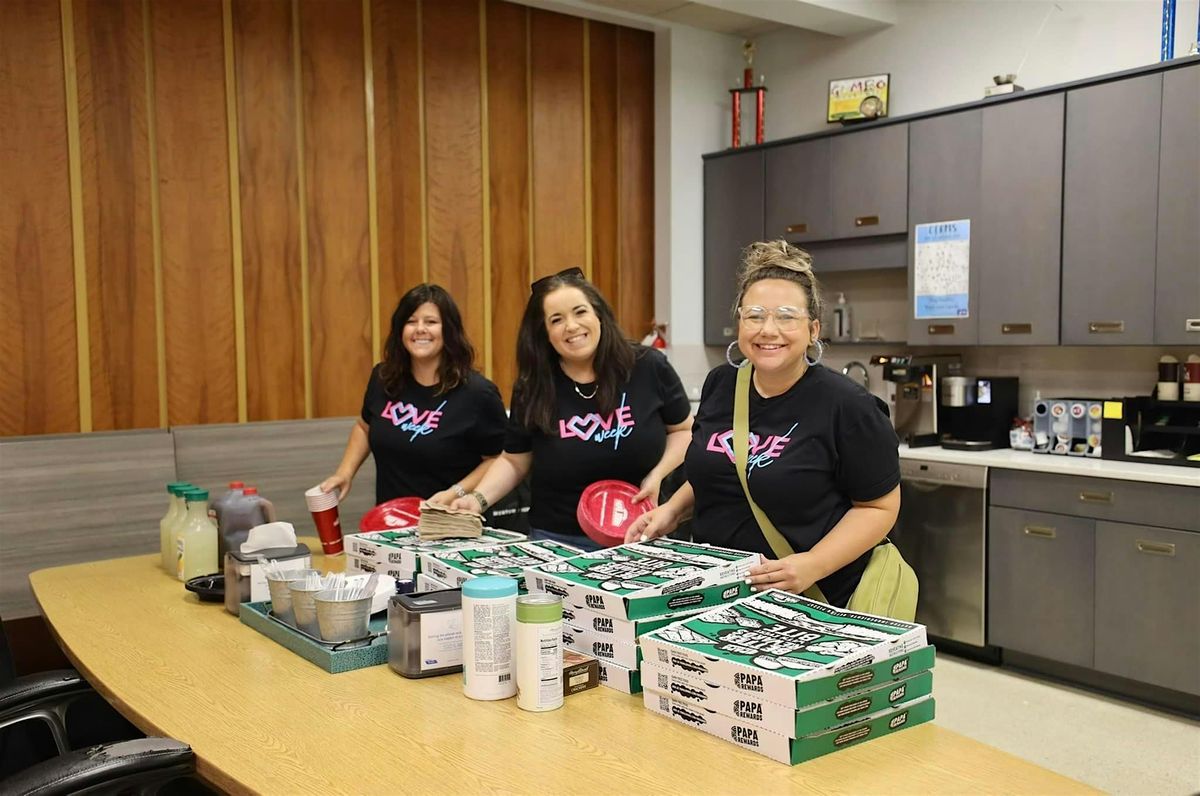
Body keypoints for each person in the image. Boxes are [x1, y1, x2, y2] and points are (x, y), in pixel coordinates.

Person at [626, 241, 900, 607]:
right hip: (715, 592)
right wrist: (672, 510)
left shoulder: (849, 406)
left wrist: (811, 565)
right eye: (754, 315)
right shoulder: (721, 385)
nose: (768, 329)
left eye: (787, 316)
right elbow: (722, 468)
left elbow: (878, 508)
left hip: (809, 598)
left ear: (813, 329)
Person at [451, 267, 692, 552]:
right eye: (557, 319)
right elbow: (515, 461)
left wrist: (657, 474)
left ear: (598, 314)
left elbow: (684, 430)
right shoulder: (533, 385)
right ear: (545, 332)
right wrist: (476, 499)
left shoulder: (648, 366)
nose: (572, 326)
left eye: (580, 312)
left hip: (641, 534)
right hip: (556, 542)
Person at [320, 284, 507, 508]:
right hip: (390, 523)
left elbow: (499, 459)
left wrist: (455, 492)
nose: (420, 329)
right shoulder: (383, 378)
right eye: (411, 321)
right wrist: (345, 473)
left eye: (431, 322)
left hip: (452, 524)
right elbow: (364, 426)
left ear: (448, 330)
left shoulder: (478, 393)